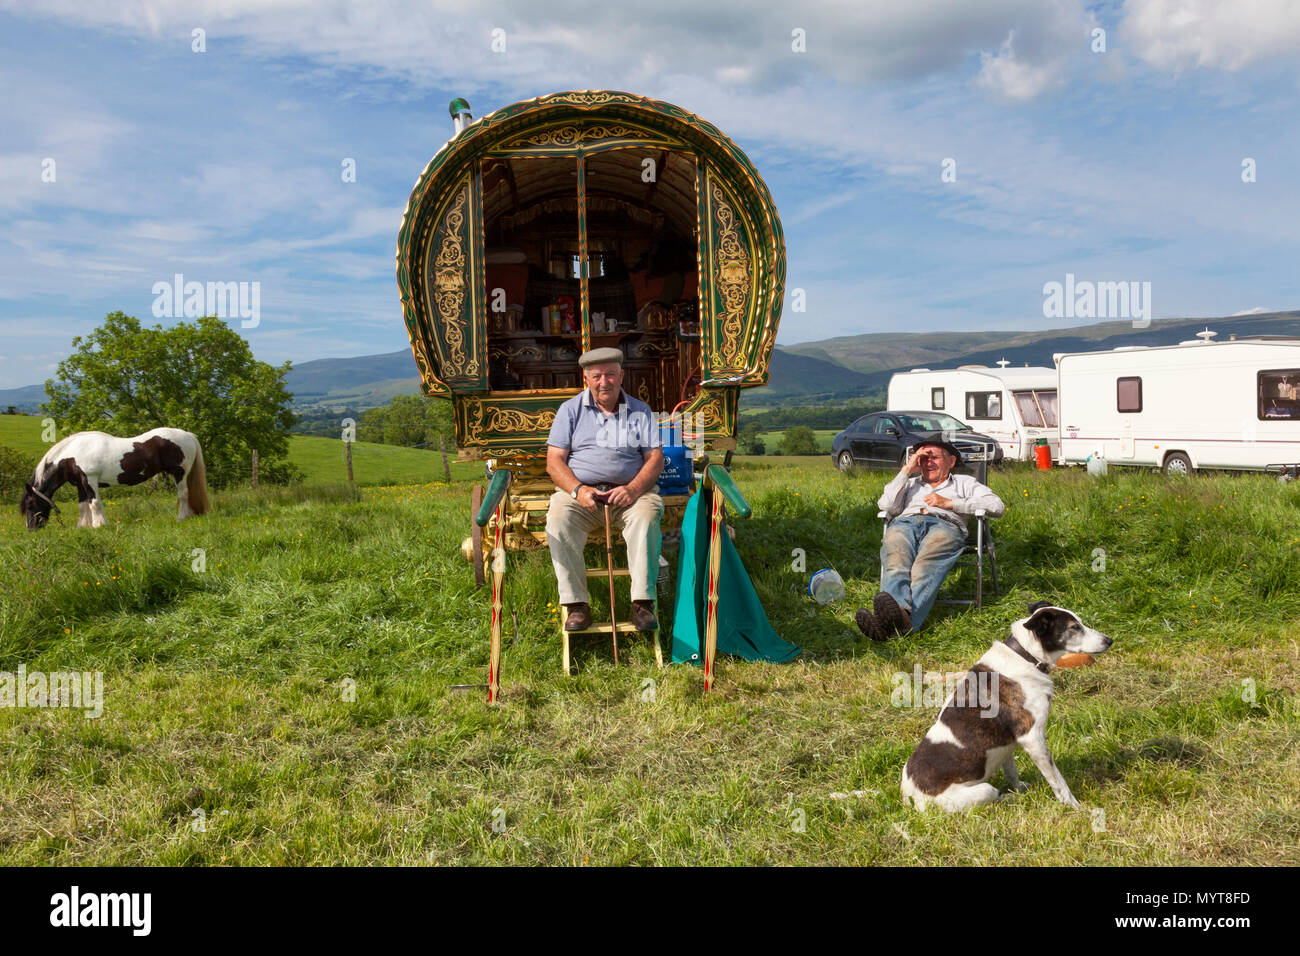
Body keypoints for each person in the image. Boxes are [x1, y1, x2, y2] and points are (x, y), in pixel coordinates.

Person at [545, 347, 664, 632]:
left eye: (610, 374)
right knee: (558, 517)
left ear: (622, 375)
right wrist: (577, 489)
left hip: (628, 496)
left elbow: (655, 458)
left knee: (647, 515)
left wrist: (634, 489)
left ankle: (642, 604)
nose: (604, 382)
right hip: (582, 497)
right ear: (586, 378)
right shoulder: (569, 410)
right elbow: (554, 461)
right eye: (596, 376)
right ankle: (576, 606)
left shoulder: (640, 410)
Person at [855, 435, 1005, 640]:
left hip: (945, 526)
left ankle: (892, 624)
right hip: (905, 524)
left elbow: (997, 506)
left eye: (934, 457)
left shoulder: (965, 483)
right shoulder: (909, 485)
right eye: (923, 458)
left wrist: (951, 504)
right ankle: (900, 624)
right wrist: (907, 470)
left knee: (924, 566)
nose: (928, 462)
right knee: (896, 559)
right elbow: (886, 506)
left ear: (951, 461)